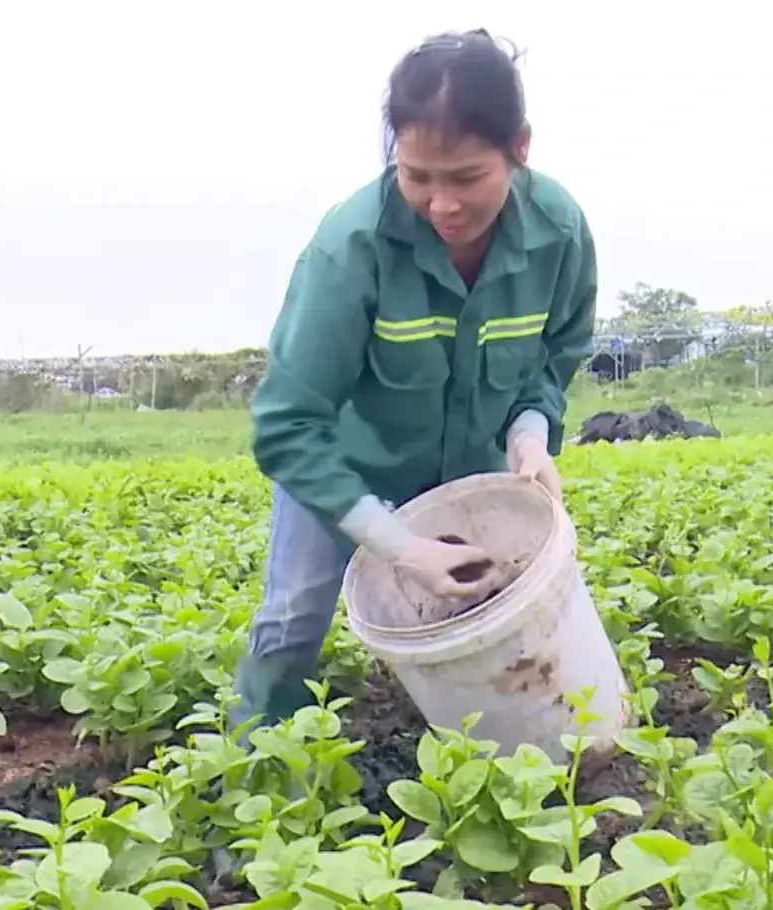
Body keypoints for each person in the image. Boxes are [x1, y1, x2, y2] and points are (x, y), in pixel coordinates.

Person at [233, 28, 598, 732]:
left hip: (466, 466)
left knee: (491, 609)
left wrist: (528, 439)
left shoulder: (558, 233)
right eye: (417, 176)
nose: (441, 204)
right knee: (292, 621)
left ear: (519, 148)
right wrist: (396, 544)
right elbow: (287, 425)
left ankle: (497, 757)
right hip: (342, 468)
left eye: (465, 178)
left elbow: (554, 357)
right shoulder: (352, 247)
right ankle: (250, 787)